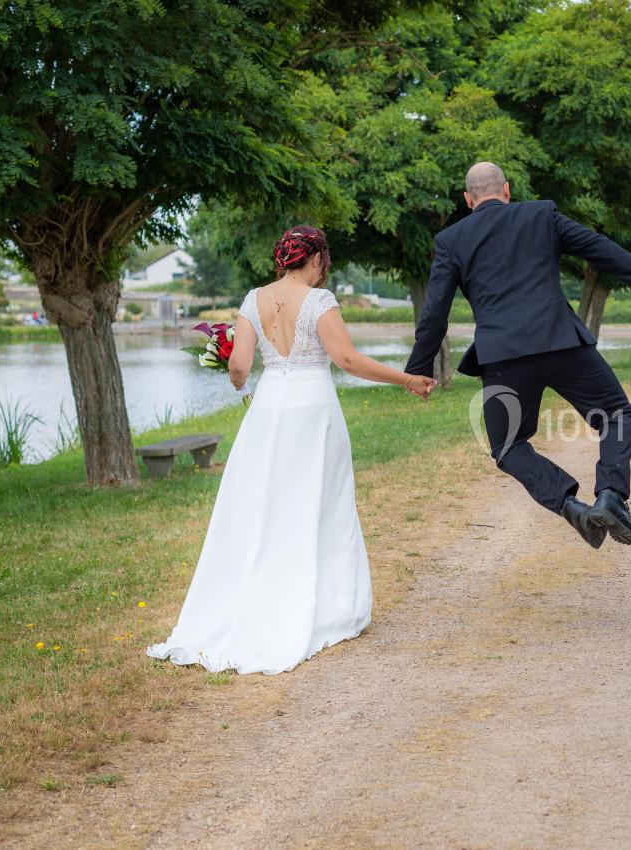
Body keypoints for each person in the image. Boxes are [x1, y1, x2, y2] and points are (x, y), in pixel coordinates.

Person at [148, 226, 436, 675]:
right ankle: (331, 607)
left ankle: (255, 599)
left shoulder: (252, 300)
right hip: (312, 411)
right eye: (325, 261)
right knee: (323, 504)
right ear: (316, 258)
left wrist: (233, 371)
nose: (325, 269)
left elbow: (241, 368)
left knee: (263, 506)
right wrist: (407, 379)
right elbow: (347, 360)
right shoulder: (320, 301)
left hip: (267, 410)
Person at [405, 162, 631, 549]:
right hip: (561, 342)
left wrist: (418, 368)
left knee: (508, 447)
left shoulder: (451, 239)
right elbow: (599, 248)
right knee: (614, 413)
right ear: (508, 190)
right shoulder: (541, 214)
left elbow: (434, 313)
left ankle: (571, 506)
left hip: (502, 357)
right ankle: (612, 496)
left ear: (468, 200)